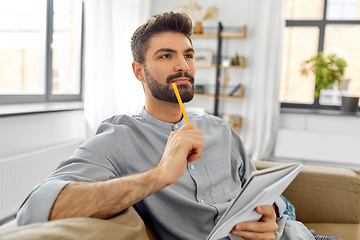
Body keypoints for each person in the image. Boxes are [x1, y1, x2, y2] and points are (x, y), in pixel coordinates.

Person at [15, 12, 339, 240]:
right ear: (139, 71)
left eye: (188, 55)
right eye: (166, 55)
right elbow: (34, 208)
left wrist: (271, 213)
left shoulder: (220, 130)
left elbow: (257, 189)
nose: (182, 65)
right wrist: (160, 175)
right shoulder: (121, 137)